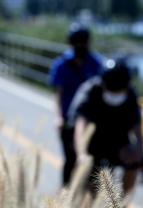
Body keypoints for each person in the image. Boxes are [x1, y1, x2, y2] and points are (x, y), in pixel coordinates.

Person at [68, 58, 143, 195]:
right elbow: (80, 125)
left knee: (134, 159)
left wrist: (141, 157)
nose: (116, 93)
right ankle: (87, 203)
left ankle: (122, 207)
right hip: (92, 144)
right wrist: (81, 154)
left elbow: (137, 130)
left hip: (117, 142)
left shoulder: (130, 95)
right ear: (103, 84)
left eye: (120, 88)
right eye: (112, 88)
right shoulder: (89, 91)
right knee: (92, 187)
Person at [49, 23, 102, 185]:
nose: (79, 44)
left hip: (90, 122)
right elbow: (58, 94)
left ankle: (89, 201)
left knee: (94, 163)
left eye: (82, 40)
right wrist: (58, 118)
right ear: (70, 42)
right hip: (69, 121)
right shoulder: (61, 64)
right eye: (76, 41)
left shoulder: (96, 63)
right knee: (71, 160)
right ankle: (66, 195)